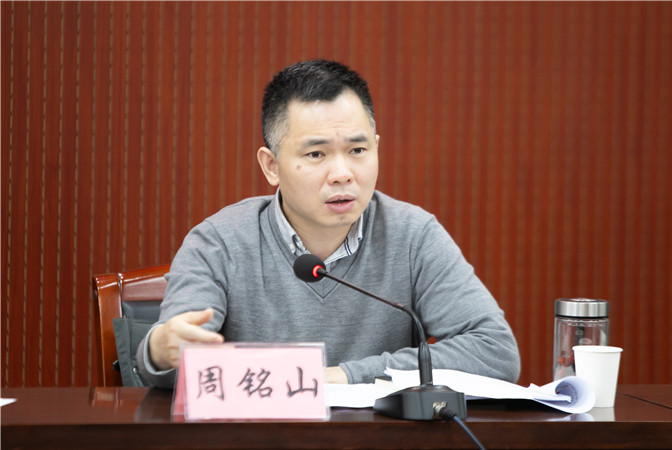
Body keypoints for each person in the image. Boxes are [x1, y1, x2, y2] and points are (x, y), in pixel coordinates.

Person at [137, 59, 520, 389]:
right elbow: (178, 364)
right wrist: (158, 350)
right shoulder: (219, 241)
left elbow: (494, 351)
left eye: (358, 150)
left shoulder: (413, 235)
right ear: (271, 166)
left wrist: (345, 376)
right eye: (317, 154)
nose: (342, 173)